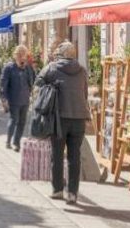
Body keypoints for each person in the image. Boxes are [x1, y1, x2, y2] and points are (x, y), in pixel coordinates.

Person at [35, 41, 89, 205]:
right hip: (79, 117)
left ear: (60, 54)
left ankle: (57, 189)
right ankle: (72, 192)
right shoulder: (82, 70)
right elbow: (85, 93)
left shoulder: (52, 67)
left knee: (57, 154)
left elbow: (38, 83)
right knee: (75, 156)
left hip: (59, 118)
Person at [0, 45, 36, 152]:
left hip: (25, 99)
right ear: (15, 56)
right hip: (14, 99)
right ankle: (8, 141)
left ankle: (16, 142)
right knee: (14, 120)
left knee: (22, 122)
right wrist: (4, 98)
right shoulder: (9, 68)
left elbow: (33, 80)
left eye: (23, 55)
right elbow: (3, 84)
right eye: (19, 55)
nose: (21, 57)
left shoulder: (28, 68)